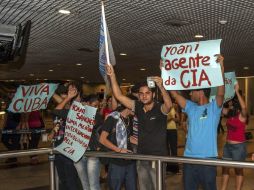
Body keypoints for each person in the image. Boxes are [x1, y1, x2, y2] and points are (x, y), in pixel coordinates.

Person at [106, 63, 172, 190]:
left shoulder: (159, 108)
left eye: (147, 93)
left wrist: (162, 87)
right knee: (143, 187)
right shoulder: (138, 107)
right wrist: (112, 76)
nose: (144, 95)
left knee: (158, 187)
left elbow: (168, 105)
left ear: (153, 94)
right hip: (141, 156)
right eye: (141, 93)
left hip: (157, 158)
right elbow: (119, 96)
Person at [170, 54, 225, 190]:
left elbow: (220, 93)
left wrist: (221, 68)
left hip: (207, 160)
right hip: (188, 159)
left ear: (200, 92)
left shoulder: (214, 107)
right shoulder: (191, 107)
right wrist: (165, 73)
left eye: (192, 91)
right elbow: (175, 95)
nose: (189, 94)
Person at [51, 81, 82, 190]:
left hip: (70, 148)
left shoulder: (75, 108)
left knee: (71, 179)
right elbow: (55, 124)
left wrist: (69, 97)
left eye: (66, 93)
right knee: (62, 179)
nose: (65, 96)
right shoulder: (58, 109)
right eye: (63, 94)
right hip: (57, 147)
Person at [99, 105, 137, 190]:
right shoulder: (112, 118)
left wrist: (139, 142)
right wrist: (119, 150)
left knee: (132, 187)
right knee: (115, 187)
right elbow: (102, 139)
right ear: (128, 106)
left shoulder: (129, 119)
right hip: (116, 161)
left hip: (130, 159)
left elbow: (127, 137)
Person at [221, 83, 248, 190]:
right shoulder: (229, 113)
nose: (230, 102)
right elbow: (220, 107)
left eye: (232, 100)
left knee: (238, 170)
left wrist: (237, 91)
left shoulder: (242, 115)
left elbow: (244, 108)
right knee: (225, 169)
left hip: (239, 147)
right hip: (228, 146)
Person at [74, 94, 103, 190]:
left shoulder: (98, 117)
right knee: (84, 184)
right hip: (78, 153)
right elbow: (57, 111)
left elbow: (92, 126)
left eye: (98, 106)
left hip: (92, 153)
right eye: (94, 106)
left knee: (93, 185)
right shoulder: (76, 114)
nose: (97, 108)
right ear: (87, 104)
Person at [166, 102, 180, 174]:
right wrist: (170, 118)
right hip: (165, 130)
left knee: (174, 149)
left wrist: (174, 119)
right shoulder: (164, 109)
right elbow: (164, 121)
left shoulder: (174, 108)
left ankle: (175, 168)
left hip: (173, 130)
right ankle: (168, 168)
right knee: (167, 150)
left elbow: (178, 119)